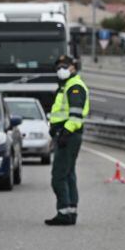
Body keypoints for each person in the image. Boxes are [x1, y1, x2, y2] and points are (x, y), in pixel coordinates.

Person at [46, 54, 89, 226]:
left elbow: (76, 116)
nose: (60, 69)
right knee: (69, 174)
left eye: (64, 66)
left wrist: (64, 133)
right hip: (65, 134)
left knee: (58, 176)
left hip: (68, 135)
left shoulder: (75, 87)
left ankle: (64, 213)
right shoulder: (66, 86)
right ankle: (70, 212)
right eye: (58, 67)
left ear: (73, 67)